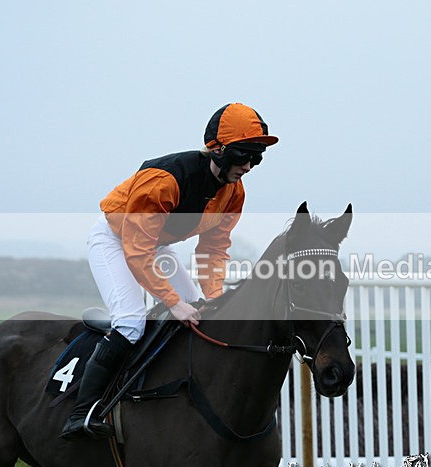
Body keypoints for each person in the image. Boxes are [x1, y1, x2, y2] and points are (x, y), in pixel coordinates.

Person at [60, 103, 278, 440]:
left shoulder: (234, 192)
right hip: (115, 241)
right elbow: (136, 249)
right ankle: (81, 413)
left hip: (154, 246)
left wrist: (215, 297)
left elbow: (214, 249)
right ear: (217, 149)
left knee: (200, 311)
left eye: (257, 157)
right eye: (244, 154)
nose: (249, 165)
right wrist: (171, 300)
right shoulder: (163, 180)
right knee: (131, 322)